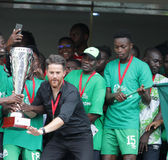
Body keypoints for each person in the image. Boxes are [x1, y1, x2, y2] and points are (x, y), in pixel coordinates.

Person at [24, 54, 93, 160]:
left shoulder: (71, 91)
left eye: (58, 73)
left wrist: (42, 130)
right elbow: (34, 113)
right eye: (51, 73)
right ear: (46, 72)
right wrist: (23, 107)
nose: (54, 76)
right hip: (59, 136)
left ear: (64, 73)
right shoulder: (44, 87)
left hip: (79, 137)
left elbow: (62, 118)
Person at [101, 31, 153, 160]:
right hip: (110, 122)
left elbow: (147, 101)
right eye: (116, 47)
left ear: (130, 46)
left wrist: (142, 94)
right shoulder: (109, 66)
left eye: (123, 47)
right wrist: (114, 95)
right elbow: (107, 99)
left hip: (129, 123)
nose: (119, 50)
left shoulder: (142, 67)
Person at [2, 49, 45, 160]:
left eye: (32, 60)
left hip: (33, 132)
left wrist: (27, 107)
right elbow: (2, 107)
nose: (27, 63)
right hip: (12, 132)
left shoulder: (43, 84)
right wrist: (9, 107)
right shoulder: (9, 81)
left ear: (38, 63)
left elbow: (45, 108)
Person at [65, 47, 106, 160]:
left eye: (91, 59)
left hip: (90, 136)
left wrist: (70, 124)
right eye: (84, 58)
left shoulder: (99, 81)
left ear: (97, 63)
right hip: (69, 136)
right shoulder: (72, 75)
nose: (86, 61)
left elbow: (95, 114)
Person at [138, 48, 168, 160]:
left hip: (152, 138)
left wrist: (146, 134)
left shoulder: (164, 81)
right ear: (145, 60)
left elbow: (163, 110)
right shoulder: (136, 79)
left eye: (160, 62)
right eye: (155, 61)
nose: (158, 65)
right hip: (132, 135)